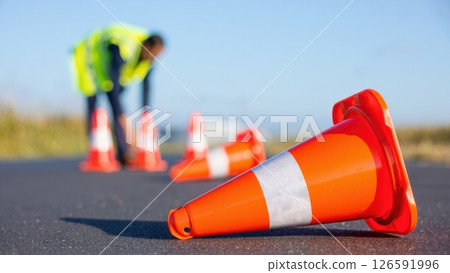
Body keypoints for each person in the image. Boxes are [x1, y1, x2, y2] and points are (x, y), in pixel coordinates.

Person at [71, 23, 164, 165]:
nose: (154, 59)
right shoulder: (123, 47)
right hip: (89, 56)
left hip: (109, 66)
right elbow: (112, 89)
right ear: (146, 45)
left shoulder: (149, 56)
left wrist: (146, 117)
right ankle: (98, 148)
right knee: (95, 103)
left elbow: (146, 86)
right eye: (154, 54)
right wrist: (125, 122)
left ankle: (122, 152)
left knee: (118, 100)